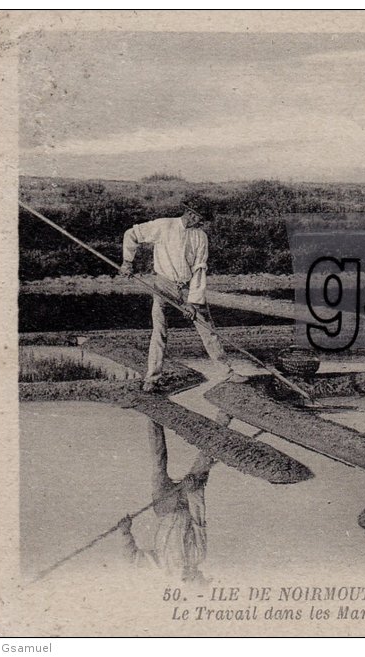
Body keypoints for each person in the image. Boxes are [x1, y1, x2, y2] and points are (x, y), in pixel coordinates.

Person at [119, 201, 246, 391]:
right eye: (195, 216)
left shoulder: (200, 236)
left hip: (188, 287)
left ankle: (226, 373)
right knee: (159, 331)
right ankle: (152, 378)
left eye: (201, 218)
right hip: (163, 285)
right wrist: (128, 262)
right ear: (188, 212)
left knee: (207, 329)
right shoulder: (164, 225)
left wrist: (193, 303)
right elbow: (132, 234)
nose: (198, 220)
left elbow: (199, 269)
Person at [117, 420, 214, 583]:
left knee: (158, 460)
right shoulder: (198, 556)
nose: (200, 575)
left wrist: (125, 532)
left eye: (200, 579)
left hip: (164, 508)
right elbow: (198, 518)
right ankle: (224, 417)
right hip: (186, 502)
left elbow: (133, 558)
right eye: (201, 578)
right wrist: (193, 490)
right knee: (204, 462)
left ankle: (152, 414)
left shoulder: (163, 566)